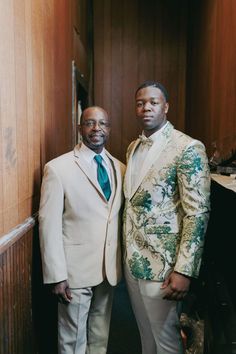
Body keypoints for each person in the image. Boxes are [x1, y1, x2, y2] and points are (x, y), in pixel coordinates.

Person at [123, 81, 210, 354]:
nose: (146, 107)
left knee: (167, 342)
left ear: (166, 107)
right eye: (140, 103)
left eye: (153, 102)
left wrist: (184, 269)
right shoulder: (132, 148)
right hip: (132, 261)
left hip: (165, 265)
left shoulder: (188, 147)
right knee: (145, 337)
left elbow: (197, 212)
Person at [39, 106, 125, 354]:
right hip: (73, 272)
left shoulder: (120, 168)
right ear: (80, 128)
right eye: (90, 123)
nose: (97, 128)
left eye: (102, 123)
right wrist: (56, 274)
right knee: (72, 339)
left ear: (109, 128)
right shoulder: (58, 168)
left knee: (100, 335)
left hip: (108, 269)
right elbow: (49, 224)